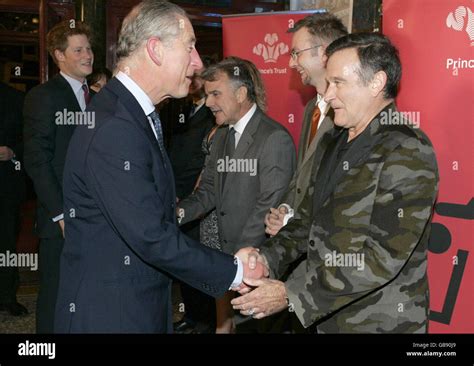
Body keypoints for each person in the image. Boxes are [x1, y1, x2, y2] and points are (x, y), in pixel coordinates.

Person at [54, 0, 263, 334]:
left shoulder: (129, 112)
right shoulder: (115, 126)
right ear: (155, 49)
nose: (197, 63)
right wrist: (235, 271)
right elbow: (151, 236)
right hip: (112, 316)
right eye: (190, 47)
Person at [232, 32, 439, 334]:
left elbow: (382, 258)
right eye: (328, 83)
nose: (327, 95)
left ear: (376, 83)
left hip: (380, 325)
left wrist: (292, 294)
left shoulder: (407, 149)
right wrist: (267, 257)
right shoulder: (332, 139)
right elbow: (306, 221)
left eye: (338, 83)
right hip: (325, 319)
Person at [178, 56, 296, 333]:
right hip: (232, 264)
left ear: (241, 93)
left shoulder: (273, 138)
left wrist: (237, 259)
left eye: (216, 94)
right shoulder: (220, 136)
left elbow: (269, 205)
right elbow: (207, 192)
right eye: (207, 95)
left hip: (257, 266)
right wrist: (176, 214)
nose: (208, 103)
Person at [23, 20, 94, 333]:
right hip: (61, 218)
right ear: (59, 56)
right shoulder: (44, 96)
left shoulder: (96, 97)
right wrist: (60, 213)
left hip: (94, 214)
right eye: (78, 49)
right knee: (55, 295)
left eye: (89, 48)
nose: (88, 54)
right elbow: (37, 161)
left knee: (86, 291)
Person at [265, 13, 347, 238]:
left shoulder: (350, 114)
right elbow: (302, 174)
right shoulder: (312, 108)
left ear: (323, 52)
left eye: (295, 53)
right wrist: (285, 208)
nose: (291, 63)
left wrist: (292, 222)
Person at [168, 56, 217, 334]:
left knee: (198, 262)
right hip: (180, 197)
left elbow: (199, 163)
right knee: (185, 263)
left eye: (197, 76)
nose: (192, 80)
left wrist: (184, 194)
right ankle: (192, 316)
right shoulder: (185, 107)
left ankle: (204, 320)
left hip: (194, 199)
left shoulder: (211, 114)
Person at [0, 82, 28, 317]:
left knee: (6, 242)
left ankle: (7, 296)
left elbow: (30, 138)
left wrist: (12, 151)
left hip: (6, 186)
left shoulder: (16, 99)